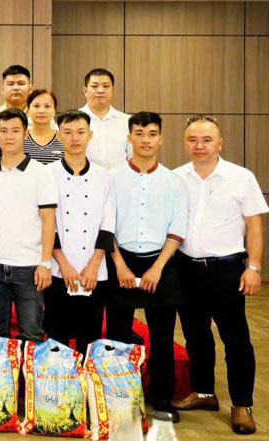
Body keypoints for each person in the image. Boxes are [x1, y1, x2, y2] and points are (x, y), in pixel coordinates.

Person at [171, 116, 263, 434]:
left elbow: (254, 226)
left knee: (235, 339)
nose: (199, 145)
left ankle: (241, 405)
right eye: (193, 139)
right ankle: (204, 392)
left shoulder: (241, 178)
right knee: (196, 336)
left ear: (219, 143)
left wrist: (253, 268)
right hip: (186, 268)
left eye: (206, 139)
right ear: (185, 142)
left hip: (227, 269)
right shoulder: (176, 178)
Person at [108, 111, 186, 422]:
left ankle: (162, 400)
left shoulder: (173, 181)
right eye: (139, 133)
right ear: (129, 138)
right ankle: (116, 397)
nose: (145, 140)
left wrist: (157, 268)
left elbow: (177, 230)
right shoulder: (111, 177)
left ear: (161, 139)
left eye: (152, 134)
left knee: (163, 337)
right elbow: (106, 226)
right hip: (121, 261)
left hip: (160, 263)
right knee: (116, 337)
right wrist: (120, 265)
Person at [0, 109, 57, 342]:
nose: (9, 136)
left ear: (26, 134)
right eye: (3, 131)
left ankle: (30, 379)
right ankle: (4, 380)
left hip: (30, 267)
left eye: (15, 131)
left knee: (32, 333)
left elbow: (48, 220)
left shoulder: (41, 173)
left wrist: (45, 262)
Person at [44, 110, 115, 354]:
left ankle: (86, 391)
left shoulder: (104, 176)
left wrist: (94, 265)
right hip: (57, 268)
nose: (75, 138)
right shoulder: (47, 174)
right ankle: (61, 388)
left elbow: (108, 225)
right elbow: (46, 224)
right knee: (57, 336)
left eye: (81, 132)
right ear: (58, 135)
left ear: (90, 135)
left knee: (90, 335)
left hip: (94, 270)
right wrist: (63, 264)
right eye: (68, 132)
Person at [80, 68, 131, 170]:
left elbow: (133, 158)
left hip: (118, 183)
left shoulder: (127, 121)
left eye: (106, 86)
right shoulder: (71, 121)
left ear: (113, 90)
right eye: (94, 86)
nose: (100, 90)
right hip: (82, 181)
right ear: (85, 91)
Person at [0, 64, 37, 130]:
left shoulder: (40, 116)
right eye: (10, 84)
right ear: (2, 89)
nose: (16, 88)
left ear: (30, 89)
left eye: (21, 84)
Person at [24, 89, 64, 164]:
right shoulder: (21, 138)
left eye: (47, 106)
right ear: (28, 111)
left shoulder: (64, 139)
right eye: (36, 106)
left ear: (54, 112)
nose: (41, 111)